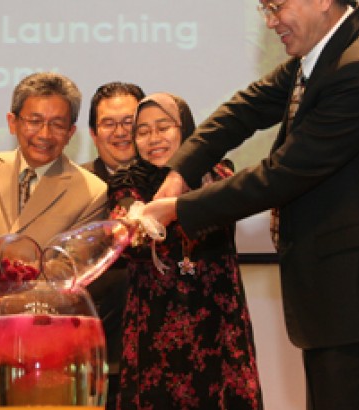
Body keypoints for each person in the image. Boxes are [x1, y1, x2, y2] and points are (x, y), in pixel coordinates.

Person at [140, 1, 359, 409]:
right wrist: (181, 171)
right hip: (341, 296)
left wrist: (178, 209)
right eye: (265, 9)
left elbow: (281, 174)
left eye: (277, 6)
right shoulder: (326, 50)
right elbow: (246, 109)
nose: (271, 21)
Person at [0, 71, 108, 410]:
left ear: (71, 132)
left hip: (45, 351)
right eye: (34, 121)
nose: (44, 134)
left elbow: (65, 268)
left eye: (57, 124)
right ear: (13, 122)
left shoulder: (91, 190)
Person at [108, 93, 262, 409]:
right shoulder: (128, 184)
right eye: (143, 131)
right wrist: (133, 227)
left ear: (186, 131)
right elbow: (128, 239)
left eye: (163, 127)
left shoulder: (217, 175)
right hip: (154, 333)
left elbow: (226, 211)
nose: (153, 139)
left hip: (218, 327)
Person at [81, 80, 144, 409]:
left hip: (157, 350)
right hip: (95, 352)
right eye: (108, 123)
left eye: (129, 122)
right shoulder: (76, 186)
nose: (120, 132)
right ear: (93, 133)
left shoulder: (171, 184)